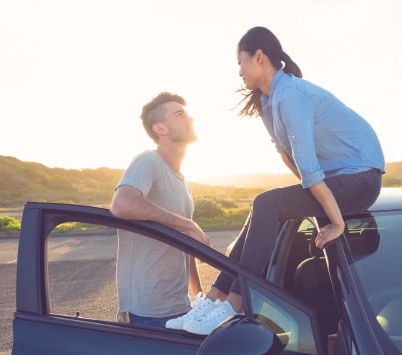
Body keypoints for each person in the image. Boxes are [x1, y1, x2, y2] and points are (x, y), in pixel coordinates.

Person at [170, 26, 385, 335]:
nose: (240, 71)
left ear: (259, 57)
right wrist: (308, 194)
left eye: (241, 62)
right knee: (264, 208)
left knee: (266, 203)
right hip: (339, 179)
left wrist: (336, 223)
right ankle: (216, 298)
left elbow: (309, 169)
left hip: (361, 179)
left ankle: (234, 305)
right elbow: (288, 157)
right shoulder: (268, 103)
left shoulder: (291, 96)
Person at [109, 92, 212, 328]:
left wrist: (197, 294)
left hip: (180, 306)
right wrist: (188, 224)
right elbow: (122, 203)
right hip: (149, 312)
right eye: (180, 115)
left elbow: (183, 242)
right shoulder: (148, 161)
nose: (191, 119)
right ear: (160, 128)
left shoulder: (182, 181)